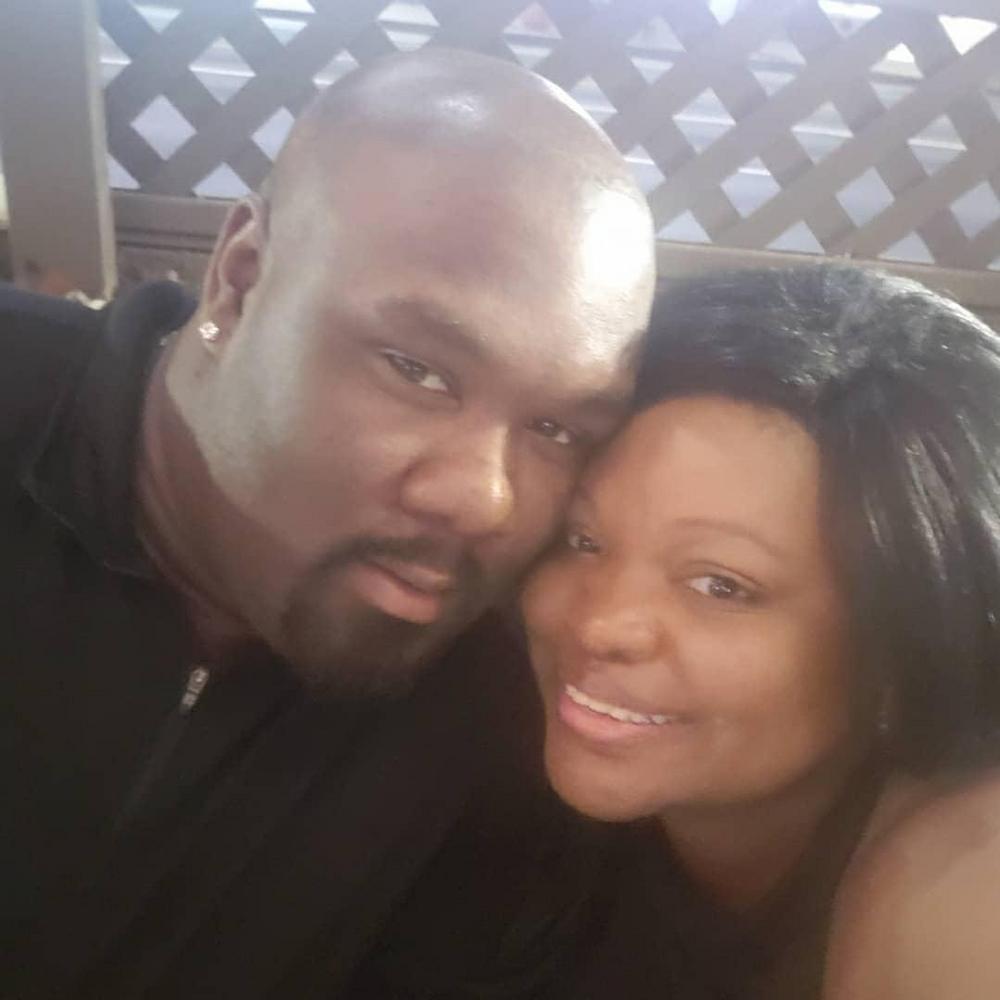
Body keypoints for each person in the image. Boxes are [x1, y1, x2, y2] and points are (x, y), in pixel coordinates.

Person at [1, 49, 655, 996]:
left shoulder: (510, 723)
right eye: (417, 369)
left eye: (556, 430)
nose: (487, 500)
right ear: (241, 279)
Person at [521, 263, 1000, 999]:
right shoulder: (480, 745)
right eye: (585, 541)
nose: (599, 623)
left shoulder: (960, 885)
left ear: (907, 644)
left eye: (721, 586)